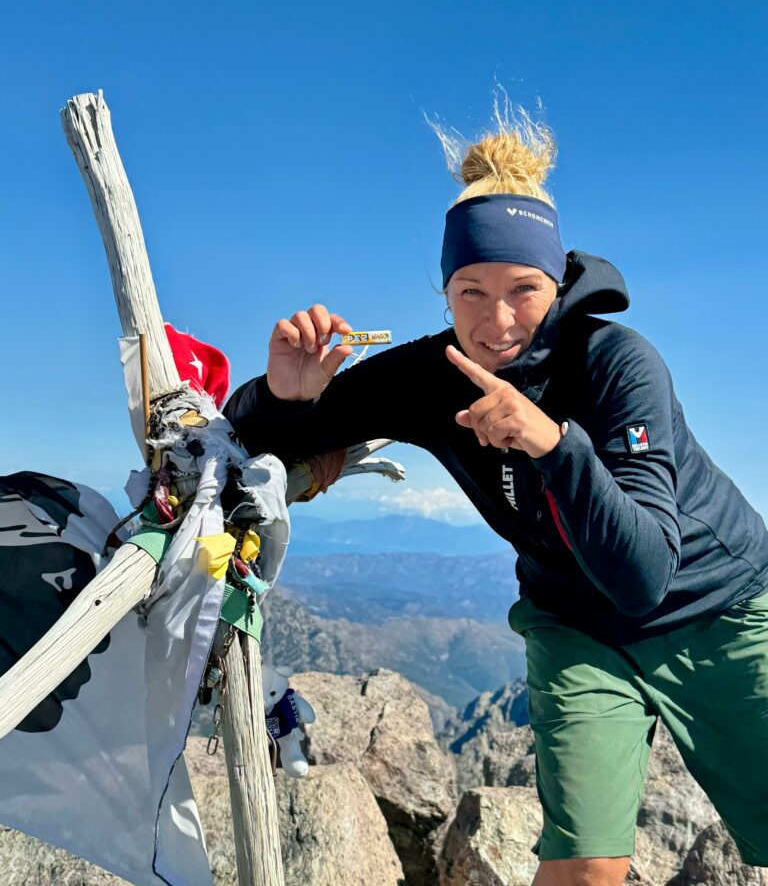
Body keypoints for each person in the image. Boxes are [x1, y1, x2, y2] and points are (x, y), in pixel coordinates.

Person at [224, 108, 768, 886]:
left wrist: (553, 445)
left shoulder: (616, 363)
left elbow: (646, 574)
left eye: (524, 289)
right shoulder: (431, 376)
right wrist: (285, 395)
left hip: (719, 605)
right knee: (584, 868)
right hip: (576, 624)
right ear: (445, 293)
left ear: (559, 283)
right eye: (471, 291)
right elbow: (258, 442)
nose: (497, 320)